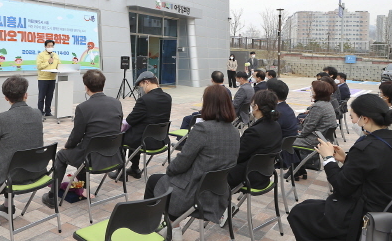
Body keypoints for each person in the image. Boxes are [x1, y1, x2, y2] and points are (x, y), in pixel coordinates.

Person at [288, 94, 392, 241]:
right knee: (309, 207)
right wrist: (346, 159)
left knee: (299, 212)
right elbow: (372, 171)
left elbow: (342, 187)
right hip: (385, 208)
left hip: (362, 215)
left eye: (353, 118)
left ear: (365, 119)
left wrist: (328, 159)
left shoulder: (366, 147)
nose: (353, 122)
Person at [145, 85, 240, 241]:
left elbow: (181, 163)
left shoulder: (202, 129)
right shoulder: (235, 132)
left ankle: (157, 227)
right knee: (163, 181)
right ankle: (172, 225)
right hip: (217, 194)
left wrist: (170, 169)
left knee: (154, 181)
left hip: (195, 194)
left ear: (207, 103)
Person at [42, 70, 123, 207]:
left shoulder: (83, 107)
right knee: (84, 149)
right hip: (114, 155)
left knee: (62, 155)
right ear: (103, 84)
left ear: (86, 86)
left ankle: (52, 196)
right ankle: (82, 188)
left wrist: (67, 146)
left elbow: (76, 135)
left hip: (91, 159)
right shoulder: (116, 103)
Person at [0, 76, 44, 226]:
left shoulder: (2, 118)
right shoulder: (37, 114)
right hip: (35, 170)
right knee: (8, 164)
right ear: (26, 95)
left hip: (12, 175)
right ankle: (8, 207)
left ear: (6, 98)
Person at [109, 71, 172, 180]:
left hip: (145, 141)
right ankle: (135, 169)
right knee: (134, 132)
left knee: (120, 136)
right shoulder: (167, 97)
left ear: (146, 82)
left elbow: (130, 120)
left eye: (141, 86)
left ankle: (120, 173)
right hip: (160, 139)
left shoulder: (144, 100)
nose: (141, 89)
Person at [227, 90, 283, 190]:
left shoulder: (255, 132)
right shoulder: (276, 125)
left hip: (249, 176)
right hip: (265, 173)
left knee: (212, 175)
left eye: (252, 105)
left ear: (256, 107)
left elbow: (237, 156)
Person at [292, 81, 338, 180]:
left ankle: (295, 170)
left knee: (287, 142)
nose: (311, 91)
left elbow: (308, 128)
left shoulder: (318, 106)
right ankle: (299, 170)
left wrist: (299, 134)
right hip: (324, 138)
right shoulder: (326, 104)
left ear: (318, 92)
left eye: (312, 89)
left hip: (315, 140)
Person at [36, 39, 60, 116]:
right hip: (43, 79)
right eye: (49, 46)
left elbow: (59, 65)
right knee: (41, 97)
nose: (50, 47)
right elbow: (39, 66)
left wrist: (59, 69)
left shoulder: (55, 55)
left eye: (52, 46)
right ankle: (40, 112)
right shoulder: (41, 55)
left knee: (49, 96)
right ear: (45, 46)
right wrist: (48, 62)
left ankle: (48, 112)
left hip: (52, 78)